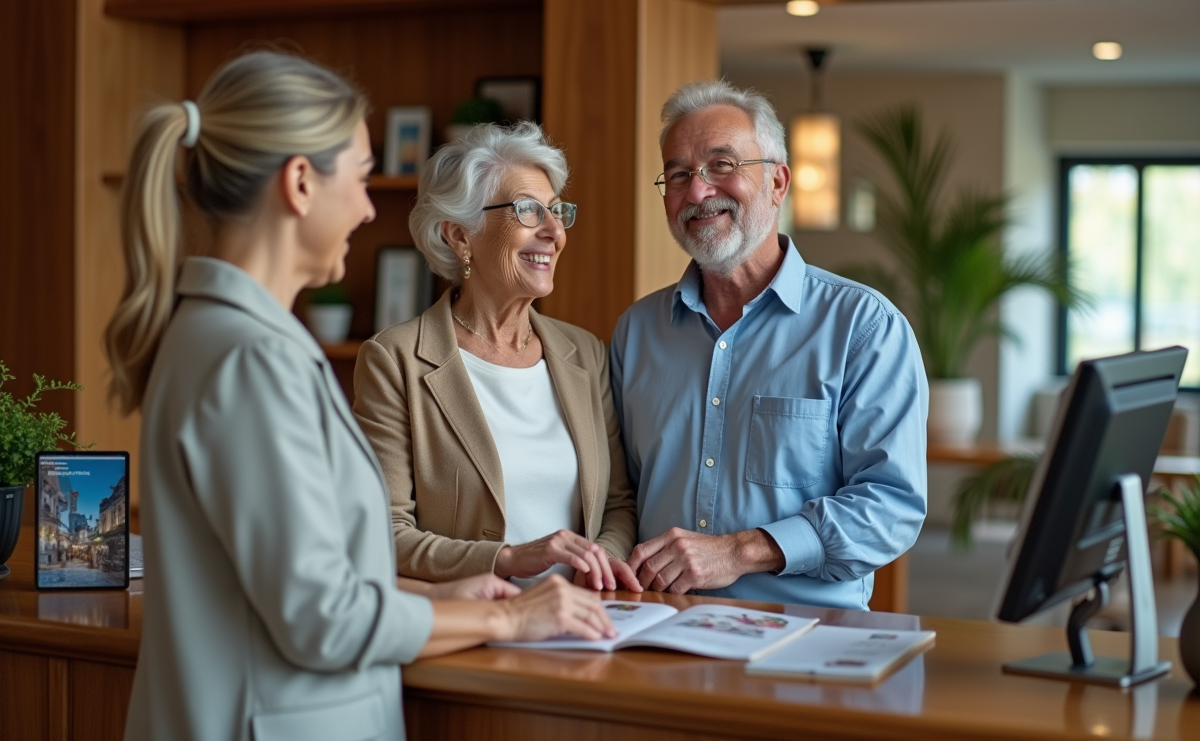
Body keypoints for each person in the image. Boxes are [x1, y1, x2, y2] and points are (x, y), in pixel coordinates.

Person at [104, 51, 614, 741]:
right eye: (364, 178)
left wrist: (436, 596)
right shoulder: (252, 357)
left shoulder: (226, 337)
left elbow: (300, 575)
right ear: (300, 183)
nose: (370, 207)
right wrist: (508, 616)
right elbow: (323, 617)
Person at [611, 80, 928, 610]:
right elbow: (619, 496)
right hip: (656, 631)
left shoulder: (863, 326)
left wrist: (741, 551)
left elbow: (891, 508)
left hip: (805, 638)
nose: (697, 192)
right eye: (678, 174)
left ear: (778, 182)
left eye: (722, 165)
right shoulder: (637, 332)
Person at [353, 122, 641, 592]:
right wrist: (505, 559)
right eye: (529, 211)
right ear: (460, 236)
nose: (554, 232)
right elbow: (383, 532)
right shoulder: (394, 360)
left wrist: (599, 563)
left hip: (585, 624)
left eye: (556, 212)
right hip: (475, 630)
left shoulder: (584, 353)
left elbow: (617, 504)